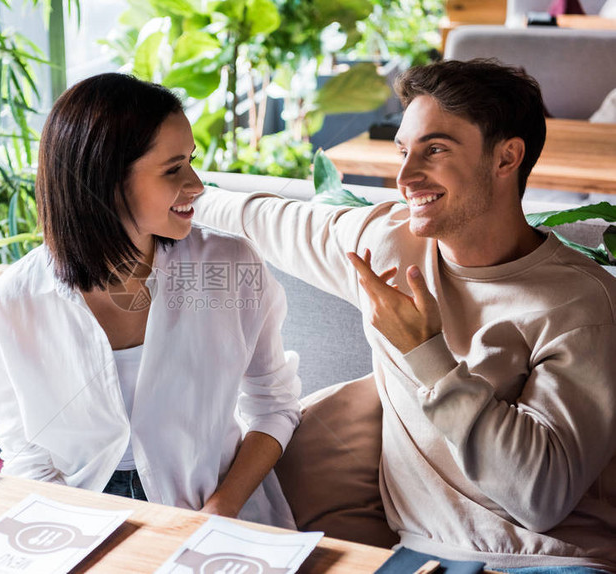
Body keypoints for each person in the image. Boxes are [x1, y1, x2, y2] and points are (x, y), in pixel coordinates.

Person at [194, 59, 616, 570]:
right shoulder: (386, 246)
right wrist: (166, 197)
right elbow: (261, 217)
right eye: (403, 151)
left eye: (434, 150)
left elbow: (539, 499)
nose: (405, 176)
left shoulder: (581, 305)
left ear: (507, 158)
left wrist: (427, 355)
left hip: (556, 560)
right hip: (422, 555)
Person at [0, 73, 301, 528]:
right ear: (105, 180)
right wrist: (74, 530)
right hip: (75, 512)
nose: (196, 184)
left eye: (190, 161)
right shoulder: (15, 302)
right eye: (173, 169)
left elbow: (274, 405)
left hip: (217, 507)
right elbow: (25, 450)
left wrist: (220, 510)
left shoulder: (231, 266)